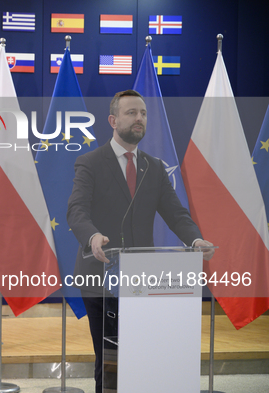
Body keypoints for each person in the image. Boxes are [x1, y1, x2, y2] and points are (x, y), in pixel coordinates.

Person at [66, 90, 214, 393]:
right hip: (100, 276)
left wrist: (195, 239)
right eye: (132, 112)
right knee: (110, 360)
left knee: (141, 356)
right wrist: (93, 237)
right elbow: (76, 210)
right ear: (113, 120)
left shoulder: (154, 167)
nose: (139, 118)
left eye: (143, 113)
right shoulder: (90, 162)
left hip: (144, 278)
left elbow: (175, 214)